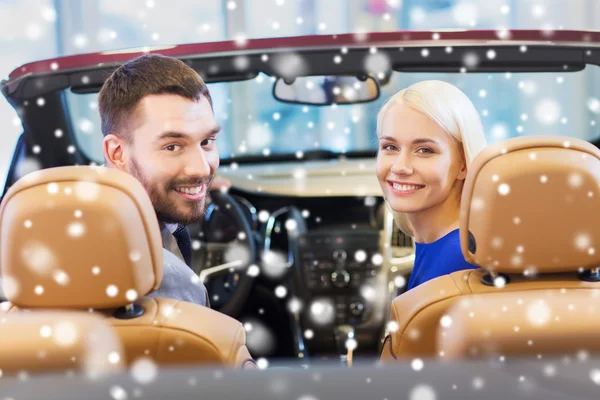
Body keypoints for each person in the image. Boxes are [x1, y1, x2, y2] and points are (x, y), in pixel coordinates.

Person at [99, 54, 221, 306]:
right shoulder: (166, 280)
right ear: (117, 153)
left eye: (206, 142)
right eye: (173, 147)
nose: (201, 168)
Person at [376, 80, 488, 291]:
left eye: (424, 150)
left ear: (463, 164)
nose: (400, 167)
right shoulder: (445, 245)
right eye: (390, 147)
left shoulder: (460, 261)